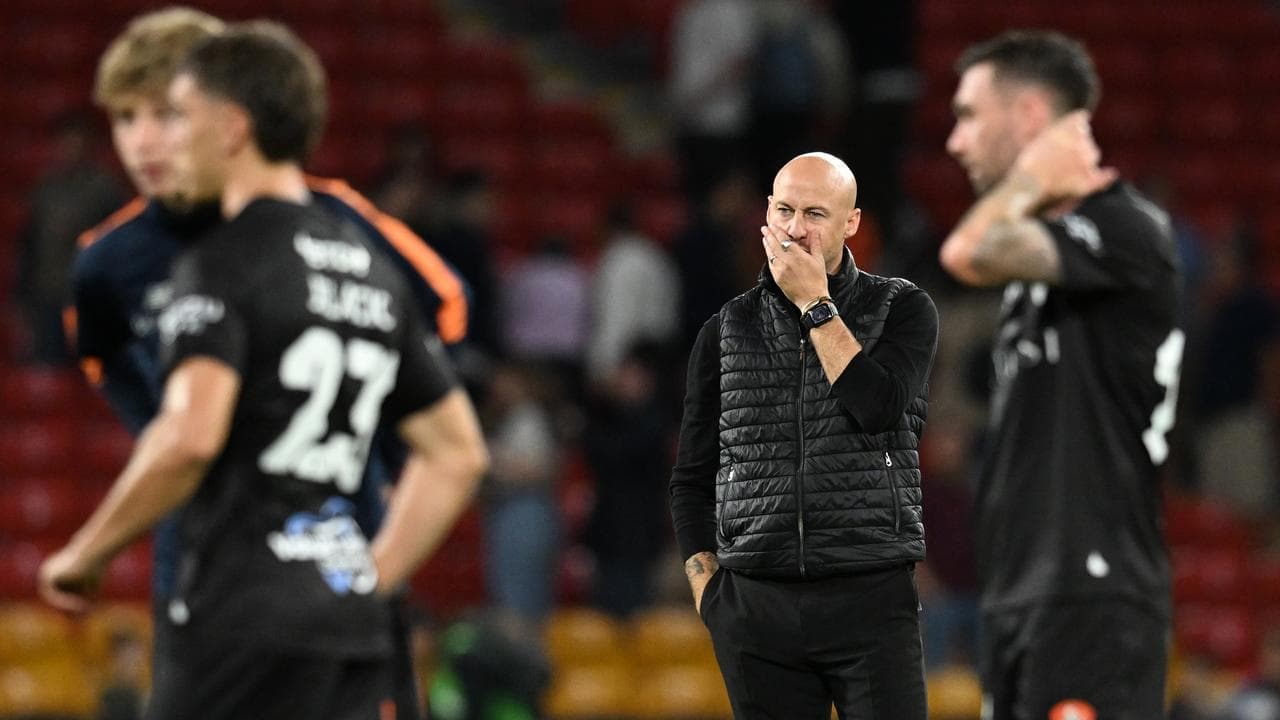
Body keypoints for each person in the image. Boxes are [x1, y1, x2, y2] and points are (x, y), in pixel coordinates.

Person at [38, 21, 488, 718]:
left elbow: (448, 308)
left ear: (227, 122)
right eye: (126, 118)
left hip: (274, 577)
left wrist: (92, 546)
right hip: (296, 572)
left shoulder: (257, 245)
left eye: (170, 113)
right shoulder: (108, 263)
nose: (147, 140)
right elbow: (122, 375)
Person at [938, 30, 1183, 719]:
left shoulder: (1127, 230)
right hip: (1024, 598)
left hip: (1089, 597)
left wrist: (1033, 178)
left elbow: (968, 249)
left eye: (969, 115)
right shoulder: (1039, 271)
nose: (956, 143)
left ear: (1029, 118)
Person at [669, 151, 938, 718]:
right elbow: (692, 475)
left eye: (815, 213)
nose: (795, 229)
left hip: (870, 596)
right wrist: (708, 592)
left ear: (852, 223)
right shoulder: (724, 329)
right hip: (754, 607)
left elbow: (880, 407)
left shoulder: (903, 308)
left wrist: (816, 305)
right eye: (784, 210)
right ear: (766, 214)